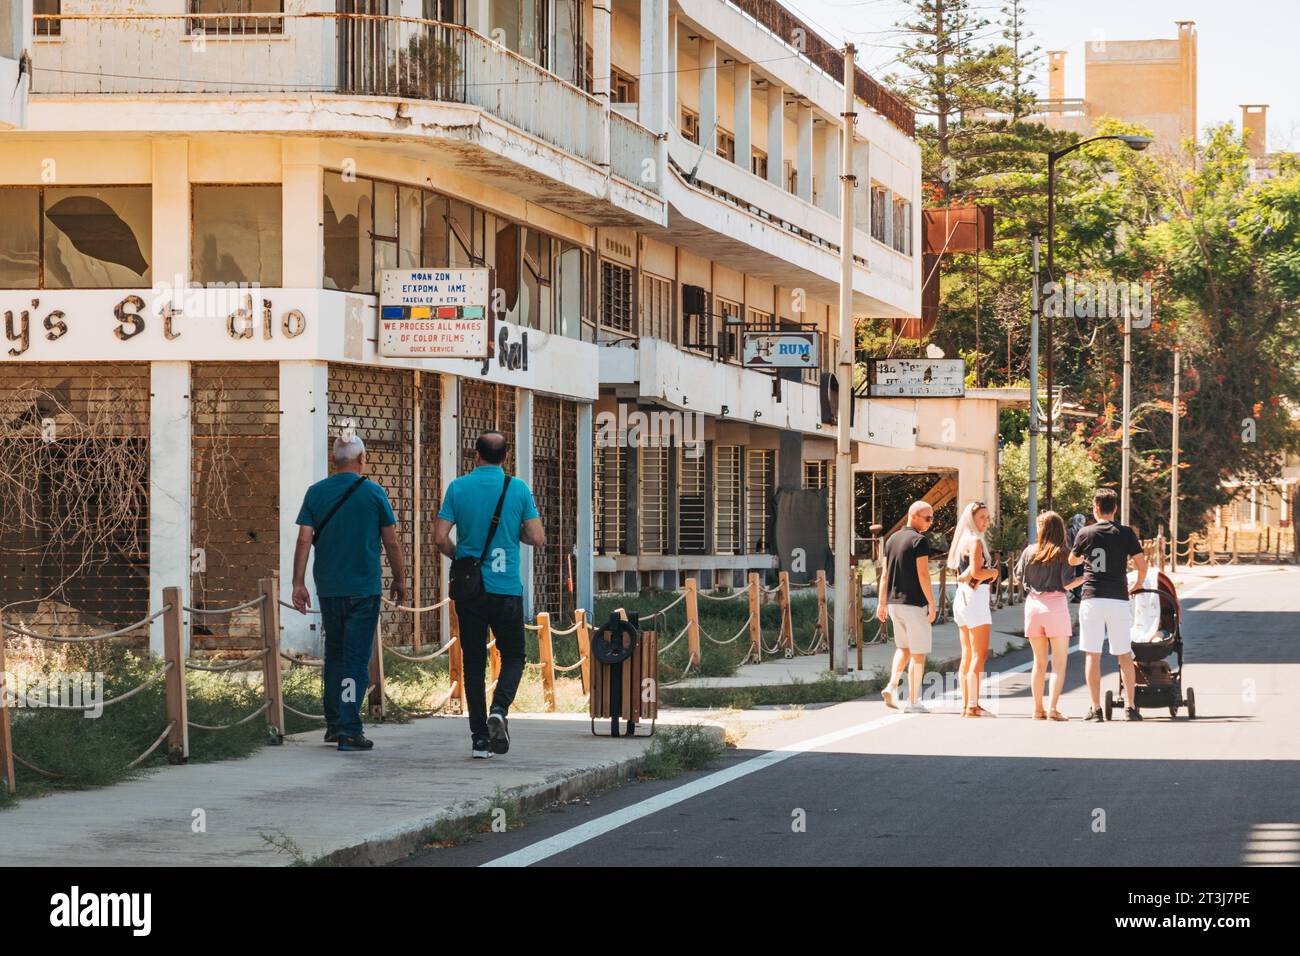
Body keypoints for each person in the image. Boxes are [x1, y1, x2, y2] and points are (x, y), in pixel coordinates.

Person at [292, 435, 409, 752]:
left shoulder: (316, 493)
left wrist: (297, 583)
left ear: (334, 461)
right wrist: (399, 579)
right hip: (362, 589)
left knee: (335, 654)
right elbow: (392, 542)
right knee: (356, 658)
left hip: (329, 589)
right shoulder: (373, 493)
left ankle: (333, 723)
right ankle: (348, 729)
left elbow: (304, 539)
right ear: (363, 459)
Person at [435, 431, 545, 758]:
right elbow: (537, 536)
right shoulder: (518, 488)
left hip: (470, 591)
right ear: (505, 457)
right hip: (507, 589)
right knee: (513, 656)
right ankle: (500, 708)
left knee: (473, 662)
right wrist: (515, 533)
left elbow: (440, 537)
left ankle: (479, 739)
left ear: (476, 455)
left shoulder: (458, 488)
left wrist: (461, 556)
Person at [1069, 488, 1149, 721]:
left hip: (1092, 598)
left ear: (1095, 508)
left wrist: (1085, 557)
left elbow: (1072, 559)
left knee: (1092, 655)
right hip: (1118, 598)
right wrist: (1137, 584)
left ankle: (1096, 709)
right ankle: (1131, 707)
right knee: (1124, 654)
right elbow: (1141, 564)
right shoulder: (1125, 533)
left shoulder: (1085, 532)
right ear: (1115, 508)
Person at [1016, 511, 1085, 721]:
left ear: (1043, 529)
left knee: (1038, 662)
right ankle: (1052, 708)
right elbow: (1066, 584)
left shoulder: (1029, 551)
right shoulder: (1064, 552)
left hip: (1033, 606)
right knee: (1058, 663)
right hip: (1055, 607)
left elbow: (1018, 576)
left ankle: (1037, 709)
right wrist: (1084, 579)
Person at [877, 501, 936, 714]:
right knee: (919, 653)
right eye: (927, 518)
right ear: (914, 516)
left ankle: (892, 686)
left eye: (932, 518)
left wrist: (881, 602)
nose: (931, 522)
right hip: (914, 604)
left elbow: (884, 574)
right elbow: (923, 574)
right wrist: (931, 602)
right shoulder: (919, 541)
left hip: (894, 603)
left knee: (903, 648)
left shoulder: (892, 539)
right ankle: (913, 701)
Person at [949, 501, 999, 717]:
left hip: (961, 597)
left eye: (988, 517)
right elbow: (978, 573)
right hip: (975, 598)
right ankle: (973, 705)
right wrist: (995, 573)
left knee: (967, 655)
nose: (986, 521)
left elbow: (967, 572)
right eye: (982, 518)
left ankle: (967, 703)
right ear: (971, 519)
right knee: (979, 654)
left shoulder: (963, 540)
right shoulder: (975, 541)